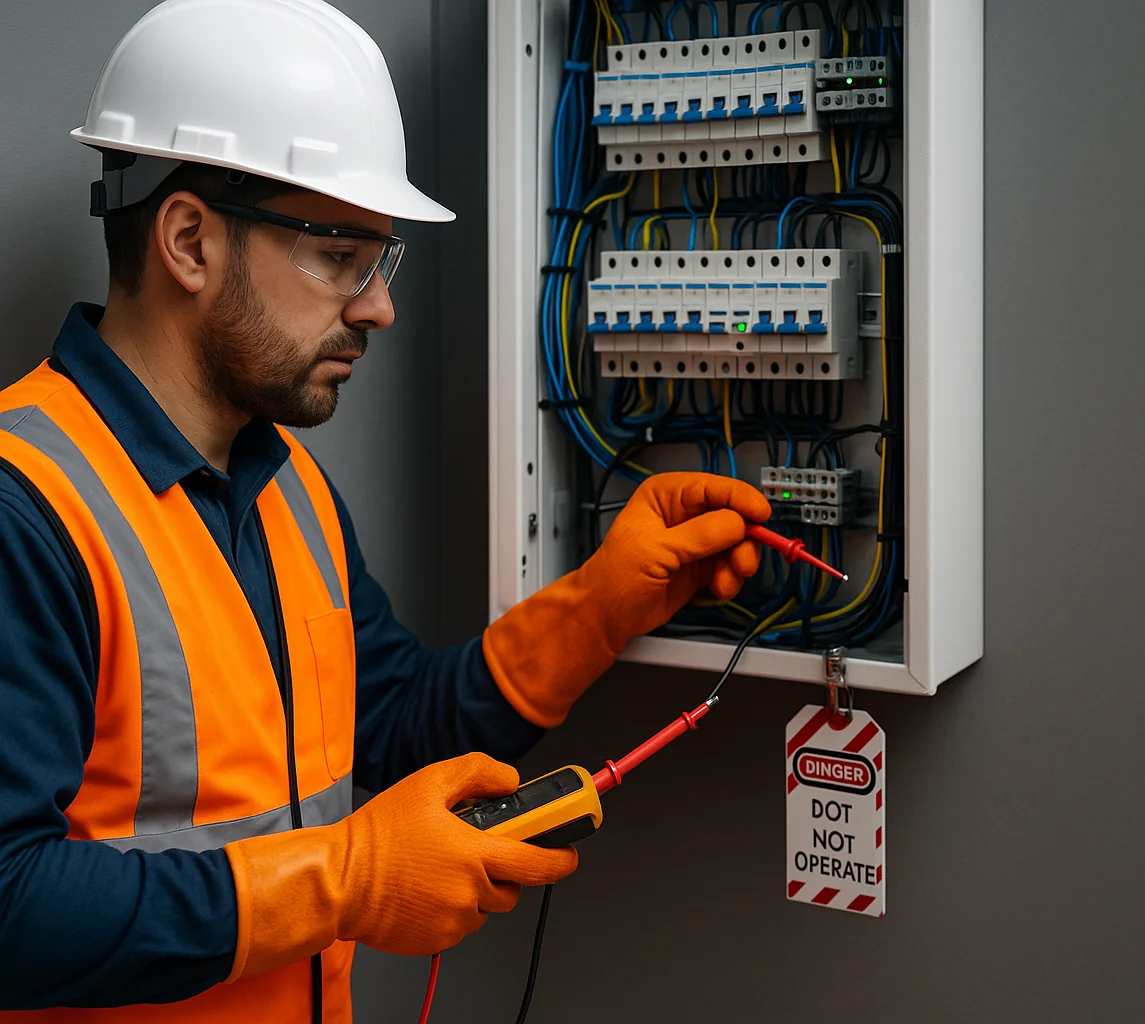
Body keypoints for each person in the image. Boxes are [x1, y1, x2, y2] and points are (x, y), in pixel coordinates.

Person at [0, 1, 770, 1020]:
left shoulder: (288, 489)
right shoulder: (27, 504)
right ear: (189, 241)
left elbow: (392, 726)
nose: (378, 306)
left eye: (381, 261)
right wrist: (349, 875)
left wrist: (599, 609)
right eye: (339, 257)